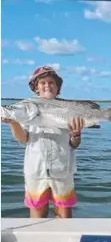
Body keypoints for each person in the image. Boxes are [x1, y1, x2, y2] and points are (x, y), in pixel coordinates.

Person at [1, 66, 84, 218]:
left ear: (57, 87)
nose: (47, 85)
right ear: (36, 88)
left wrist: (76, 134)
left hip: (62, 171)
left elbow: (74, 144)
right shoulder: (27, 107)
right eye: (42, 82)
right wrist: (13, 122)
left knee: (64, 218)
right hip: (35, 170)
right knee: (36, 219)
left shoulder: (68, 108)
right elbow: (23, 139)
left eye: (51, 82)